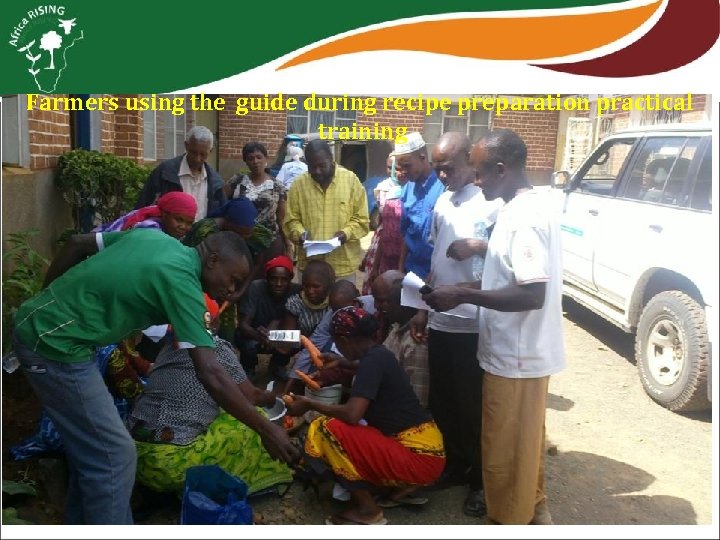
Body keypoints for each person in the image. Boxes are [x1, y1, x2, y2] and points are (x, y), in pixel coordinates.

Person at [12, 229, 298, 524]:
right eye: (232, 280)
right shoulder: (184, 285)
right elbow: (210, 372)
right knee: (115, 457)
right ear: (212, 260)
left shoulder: (155, 239)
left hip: (58, 338)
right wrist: (266, 429)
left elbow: (76, 243)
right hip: (55, 348)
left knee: (96, 456)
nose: (231, 291)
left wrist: (43, 300)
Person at [422, 129, 566, 525]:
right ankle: (533, 508)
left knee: (504, 450)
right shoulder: (521, 208)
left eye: (481, 172)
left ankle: (508, 519)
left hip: (517, 356)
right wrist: (458, 288)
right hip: (516, 352)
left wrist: (465, 297)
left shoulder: (525, 217)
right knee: (523, 444)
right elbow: (505, 279)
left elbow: (531, 293)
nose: (476, 179)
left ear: (501, 170)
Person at [285, 306, 445, 525]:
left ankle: (368, 510)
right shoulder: (379, 354)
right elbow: (363, 368)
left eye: (338, 343)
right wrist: (342, 363)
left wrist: (309, 403)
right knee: (356, 430)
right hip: (430, 450)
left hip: (418, 457)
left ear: (345, 340)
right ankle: (396, 487)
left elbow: (351, 414)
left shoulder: (372, 361)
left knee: (327, 428)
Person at [414, 132, 504, 518]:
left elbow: (510, 266)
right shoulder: (443, 201)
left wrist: (478, 246)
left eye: (448, 167)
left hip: (475, 323)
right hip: (441, 320)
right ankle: (454, 464)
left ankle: (481, 482)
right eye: (437, 168)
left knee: (473, 407)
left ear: (470, 159)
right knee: (444, 402)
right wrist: (422, 309)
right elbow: (436, 259)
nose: (442, 174)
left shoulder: (495, 202)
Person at [128, 330, 294, 497]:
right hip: (172, 467)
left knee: (226, 407)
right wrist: (271, 398)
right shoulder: (216, 349)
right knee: (252, 420)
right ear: (213, 322)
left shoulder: (169, 346)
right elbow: (252, 397)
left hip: (133, 458)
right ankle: (245, 480)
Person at [283, 139, 369, 283]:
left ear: (331, 159)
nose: (317, 171)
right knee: (308, 305)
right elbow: (291, 220)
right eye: (312, 166)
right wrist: (300, 234)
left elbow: (362, 220)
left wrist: (345, 234)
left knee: (342, 305)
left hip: (342, 266)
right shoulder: (298, 185)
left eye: (322, 166)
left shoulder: (351, 181)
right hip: (310, 267)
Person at [135, 125, 226, 220]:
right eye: (193, 153)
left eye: (203, 154)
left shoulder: (216, 181)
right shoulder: (165, 172)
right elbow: (143, 207)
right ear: (186, 146)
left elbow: (221, 214)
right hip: (165, 233)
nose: (197, 159)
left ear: (210, 151)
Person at [371, 270, 429, 408]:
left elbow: (417, 402)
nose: (376, 306)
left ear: (403, 301)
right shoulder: (396, 327)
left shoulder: (416, 343)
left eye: (381, 301)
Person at [235, 255, 301, 376]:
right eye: (273, 279)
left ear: (291, 278)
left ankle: (278, 364)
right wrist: (260, 336)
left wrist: (276, 325)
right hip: (256, 334)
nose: (278, 284)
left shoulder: (296, 291)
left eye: (284, 279)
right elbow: (243, 324)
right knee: (243, 339)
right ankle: (248, 367)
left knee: (298, 337)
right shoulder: (256, 288)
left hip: (280, 335)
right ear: (266, 278)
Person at [394, 132, 445, 280]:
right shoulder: (407, 190)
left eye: (407, 166)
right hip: (412, 271)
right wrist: (400, 268)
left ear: (422, 157)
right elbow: (407, 234)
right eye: (400, 167)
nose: (403, 172)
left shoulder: (443, 186)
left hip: (436, 274)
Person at [226, 142, 288, 254]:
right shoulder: (237, 181)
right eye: (250, 158)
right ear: (245, 161)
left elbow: (282, 220)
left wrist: (288, 247)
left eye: (259, 157)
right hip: (240, 243)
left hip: (268, 243)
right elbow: (222, 204)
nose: (255, 162)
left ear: (266, 159)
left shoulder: (277, 186)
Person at [359, 155, 408, 294]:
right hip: (384, 248)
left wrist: (400, 266)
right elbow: (383, 226)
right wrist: (372, 260)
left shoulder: (412, 192)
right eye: (394, 169)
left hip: (403, 254)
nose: (399, 173)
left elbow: (408, 232)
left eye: (402, 168)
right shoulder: (385, 190)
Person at [94, 191, 197, 239]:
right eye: (179, 220)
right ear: (165, 215)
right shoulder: (149, 230)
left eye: (189, 223)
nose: (183, 227)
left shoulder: (167, 229)